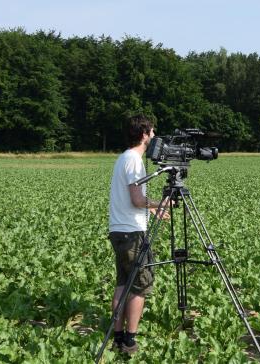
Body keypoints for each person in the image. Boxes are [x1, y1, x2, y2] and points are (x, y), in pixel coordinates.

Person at [108, 115, 169, 353]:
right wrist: (158, 203)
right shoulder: (134, 159)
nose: (154, 137)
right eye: (152, 132)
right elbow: (136, 200)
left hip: (119, 230)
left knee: (123, 283)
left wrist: (152, 210)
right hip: (132, 233)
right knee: (140, 285)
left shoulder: (123, 157)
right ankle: (130, 341)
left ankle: (118, 337)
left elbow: (131, 199)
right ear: (144, 134)